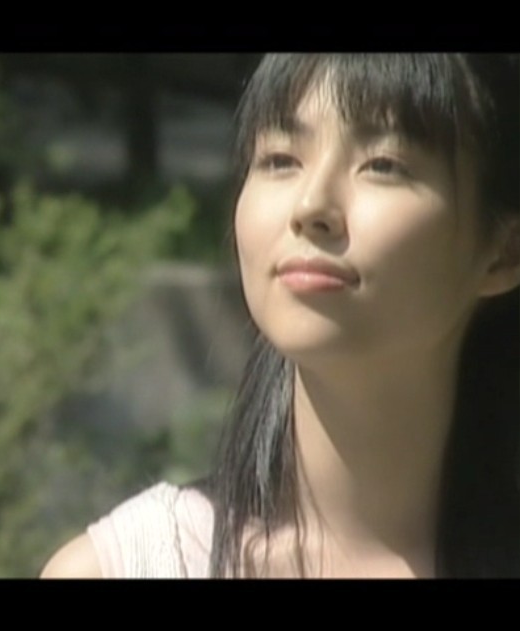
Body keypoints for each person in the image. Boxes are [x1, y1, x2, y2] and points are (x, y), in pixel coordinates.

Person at [40, 53, 520, 579]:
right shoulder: (131, 566)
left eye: (383, 165)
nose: (311, 206)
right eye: (280, 160)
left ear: (503, 252)